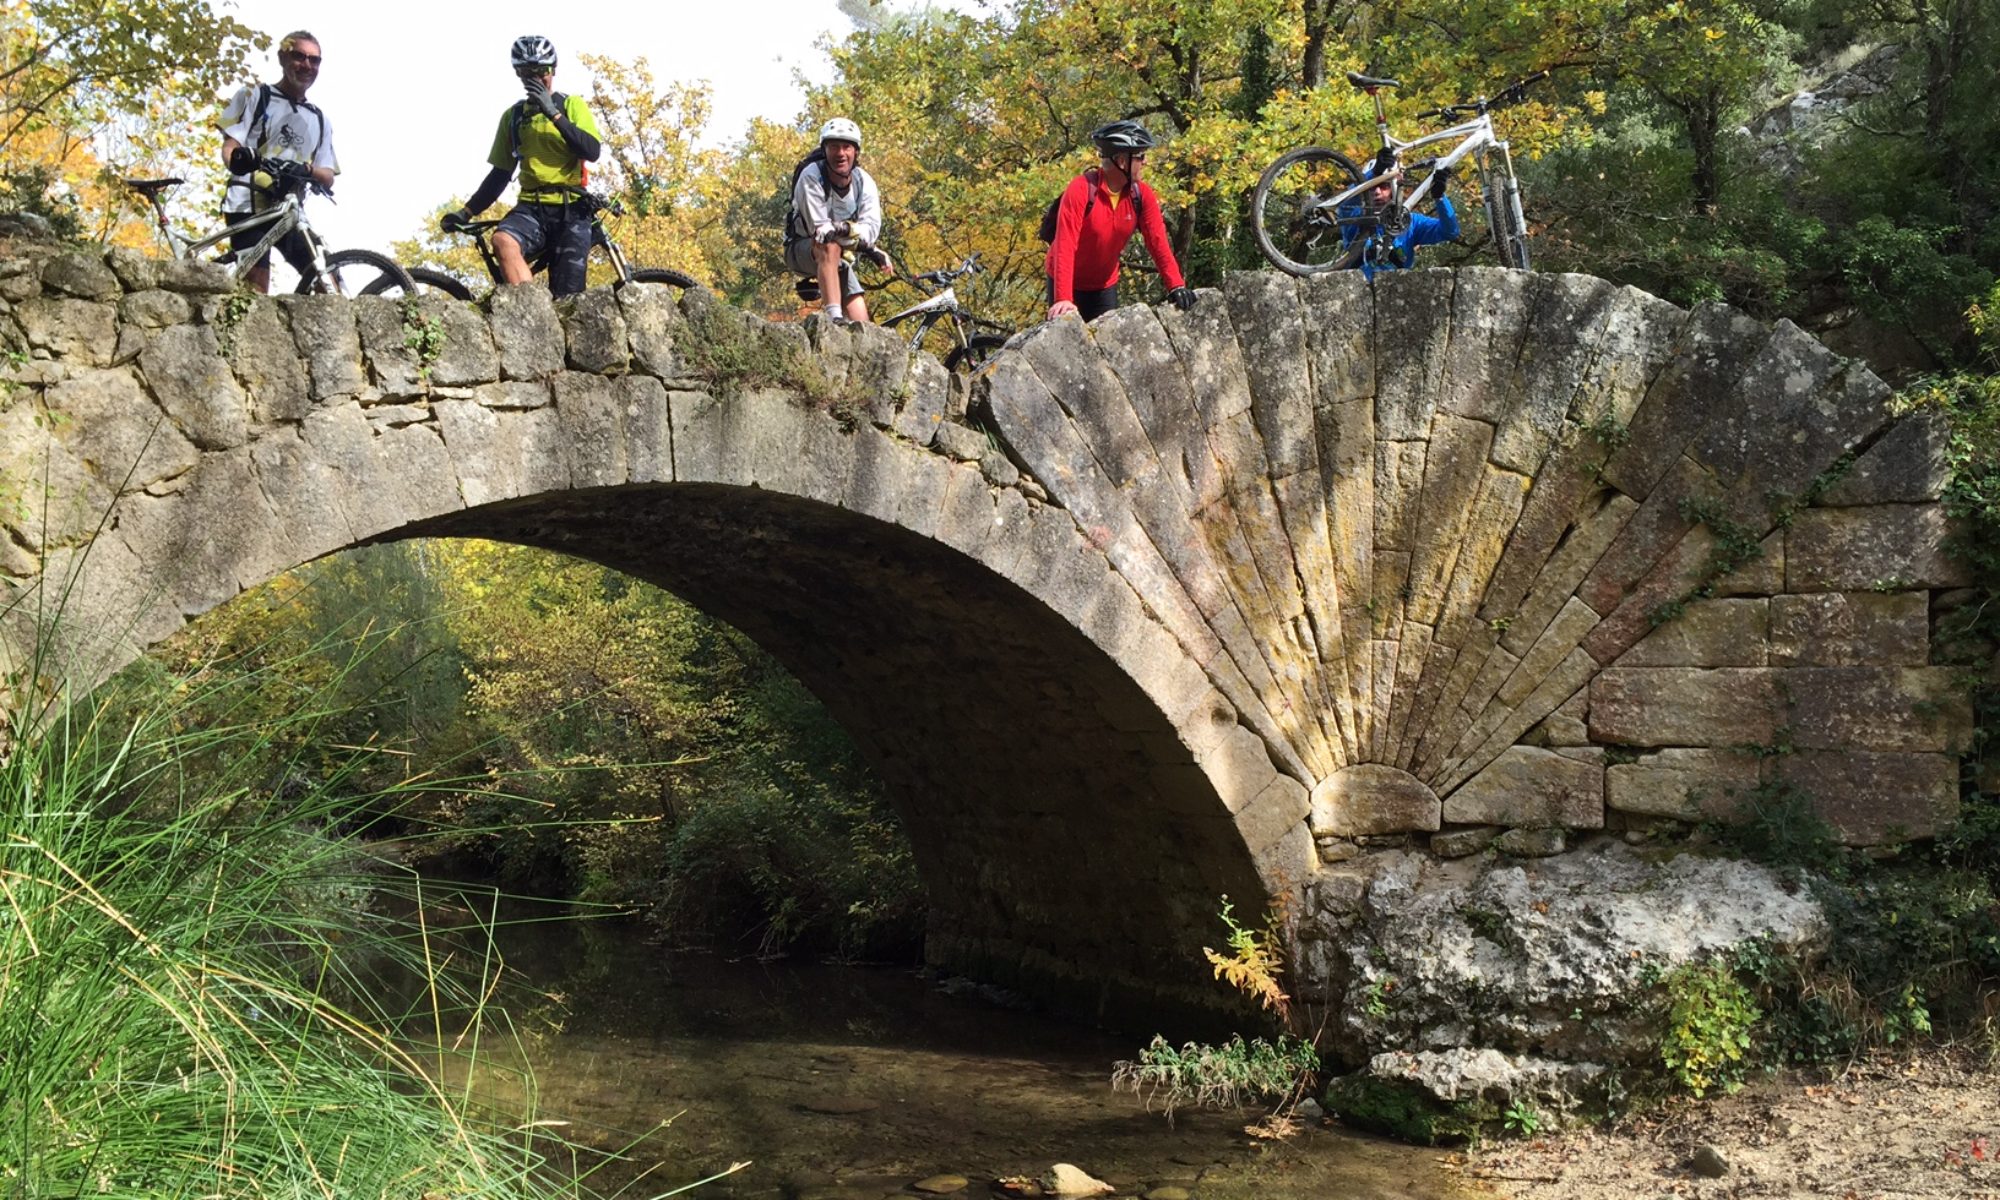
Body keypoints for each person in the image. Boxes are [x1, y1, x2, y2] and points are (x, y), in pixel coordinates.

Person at [443, 36, 603, 297]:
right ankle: (535, 314)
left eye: (543, 71)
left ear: (554, 69)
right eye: (528, 73)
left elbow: (591, 150)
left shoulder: (572, 105)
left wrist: (553, 113)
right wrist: (467, 212)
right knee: (503, 240)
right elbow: (501, 174)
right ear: (518, 74)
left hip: (571, 209)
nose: (537, 78)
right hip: (531, 207)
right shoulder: (514, 117)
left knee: (569, 298)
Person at [215, 30, 338, 294]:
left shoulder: (320, 119)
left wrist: (308, 170)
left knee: (328, 278)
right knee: (255, 290)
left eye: (314, 60)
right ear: (282, 57)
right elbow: (230, 147)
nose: (307, 65)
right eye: (299, 56)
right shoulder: (254, 96)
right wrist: (240, 160)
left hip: (289, 208)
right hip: (248, 203)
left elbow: (328, 174)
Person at [1044, 120, 1194, 322]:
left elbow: (1158, 242)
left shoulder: (1141, 195)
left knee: (1106, 349)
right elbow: (1065, 244)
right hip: (1066, 282)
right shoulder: (1081, 189)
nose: (1146, 162)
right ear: (1122, 161)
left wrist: (1176, 285)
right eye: (1140, 157)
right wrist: (1063, 298)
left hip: (1104, 286)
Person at [785, 117, 888, 324]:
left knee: (863, 324)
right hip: (800, 248)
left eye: (846, 147)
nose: (840, 153)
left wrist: (867, 245)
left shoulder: (864, 182)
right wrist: (865, 245)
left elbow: (870, 231)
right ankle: (834, 320)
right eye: (834, 147)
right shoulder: (812, 176)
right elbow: (821, 231)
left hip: (839, 258)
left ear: (855, 152)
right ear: (825, 151)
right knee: (829, 245)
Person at [1341, 151, 1459, 279]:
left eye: (1384, 186)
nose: (1377, 192)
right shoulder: (1355, 217)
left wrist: (1440, 198)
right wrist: (1375, 172)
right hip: (1357, 289)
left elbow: (1450, 232)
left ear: (1394, 189)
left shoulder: (1411, 222)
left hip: (1395, 291)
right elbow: (1345, 202)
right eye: (1372, 187)